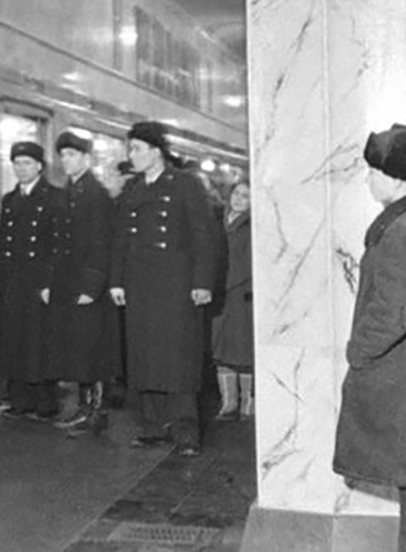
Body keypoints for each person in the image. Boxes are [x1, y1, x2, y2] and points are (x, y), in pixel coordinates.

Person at [334, 125, 406, 552]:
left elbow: (391, 309)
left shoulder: (401, 228)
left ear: (396, 179)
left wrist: (358, 351)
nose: (368, 180)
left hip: (401, 373)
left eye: (373, 172)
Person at [109, 120, 216, 457]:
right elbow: (121, 239)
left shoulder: (185, 184)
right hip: (140, 283)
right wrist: (116, 280)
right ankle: (154, 426)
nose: (131, 155)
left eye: (137, 149)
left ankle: (186, 432)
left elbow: (203, 235)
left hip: (177, 284)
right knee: (145, 355)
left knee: (178, 356)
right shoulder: (133, 189)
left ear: (156, 152)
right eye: (130, 149)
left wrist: (202, 282)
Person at [0, 140, 65, 419]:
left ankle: (45, 402)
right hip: (12, 279)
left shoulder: (55, 198)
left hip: (38, 281)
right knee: (14, 339)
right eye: (17, 163)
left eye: (27, 163)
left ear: (39, 167)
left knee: (39, 341)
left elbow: (58, 246)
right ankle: (20, 399)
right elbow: (2, 245)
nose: (21, 168)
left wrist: (50, 283)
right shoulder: (10, 200)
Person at [48, 131, 117, 436]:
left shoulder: (95, 195)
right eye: (63, 155)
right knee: (78, 349)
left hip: (88, 287)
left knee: (92, 351)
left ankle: (96, 412)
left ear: (86, 159)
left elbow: (102, 244)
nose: (66, 160)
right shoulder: (70, 192)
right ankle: (84, 408)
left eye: (72, 155)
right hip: (69, 283)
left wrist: (92, 286)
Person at [212, 179, 253, 420]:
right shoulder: (218, 221)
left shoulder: (251, 227)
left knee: (243, 352)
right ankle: (228, 402)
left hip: (239, 296)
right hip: (220, 296)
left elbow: (246, 265)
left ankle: (248, 403)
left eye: (245, 196)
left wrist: (221, 283)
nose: (238, 199)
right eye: (237, 193)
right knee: (220, 350)